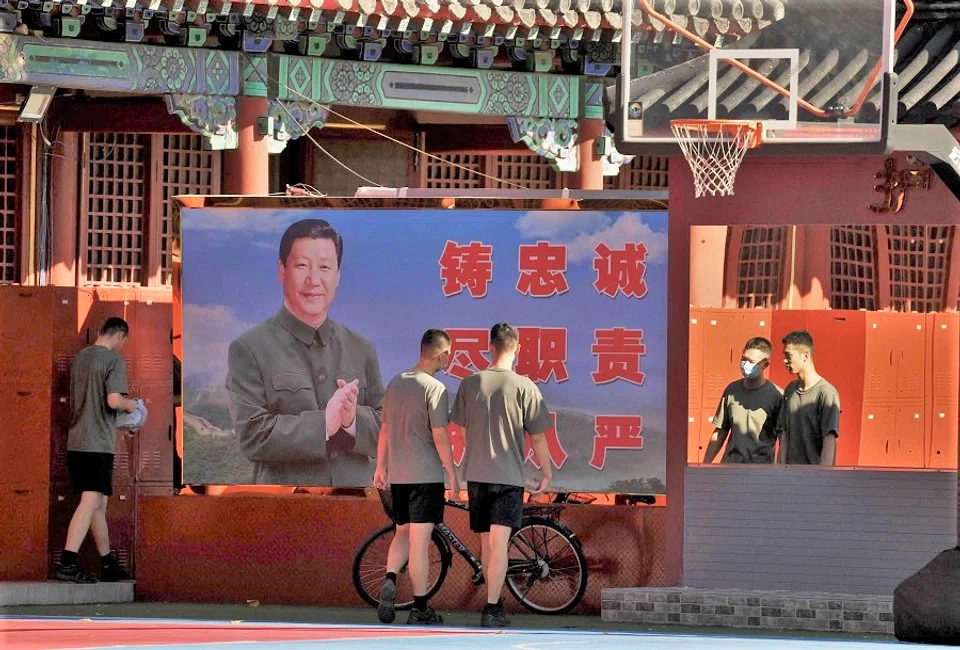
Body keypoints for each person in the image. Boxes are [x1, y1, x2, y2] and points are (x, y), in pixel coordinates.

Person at [226, 218, 385, 486]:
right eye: (301, 265)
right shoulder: (249, 348)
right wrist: (325, 422)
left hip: (358, 504)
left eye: (324, 267)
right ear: (282, 270)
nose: (314, 280)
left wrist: (351, 421)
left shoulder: (362, 347)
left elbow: (387, 430)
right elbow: (252, 436)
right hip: (285, 507)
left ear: (337, 275)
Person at [450, 323, 553, 628]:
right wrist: (546, 472)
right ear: (517, 348)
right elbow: (538, 438)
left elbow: (464, 432)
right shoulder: (526, 387)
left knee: (487, 544)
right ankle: (492, 606)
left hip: (477, 476)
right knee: (499, 545)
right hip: (509, 477)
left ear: (490, 346)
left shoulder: (470, 383)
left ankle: (492, 600)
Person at [372, 329, 458, 626]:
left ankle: (390, 577)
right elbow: (440, 436)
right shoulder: (435, 388)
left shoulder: (396, 383)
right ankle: (420, 608)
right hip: (426, 476)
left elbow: (383, 429)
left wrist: (380, 466)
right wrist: (452, 474)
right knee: (421, 544)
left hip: (399, 474)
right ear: (442, 354)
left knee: (402, 533)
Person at [54, 317, 139, 583]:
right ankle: (67, 563)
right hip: (97, 444)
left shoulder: (80, 358)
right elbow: (113, 401)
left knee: (98, 504)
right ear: (120, 336)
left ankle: (107, 563)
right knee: (91, 501)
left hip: (76, 442)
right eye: (123, 342)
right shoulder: (113, 361)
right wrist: (132, 406)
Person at [703, 337, 783, 464]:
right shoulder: (732, 390)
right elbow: (720, 431)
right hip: (730, 467)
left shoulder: (777, 395)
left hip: (760, 471)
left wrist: (779, 471)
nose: (745, 364)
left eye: (751, 361)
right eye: (743, 359)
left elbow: (783, 438)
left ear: (765, 365)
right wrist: (705, 464)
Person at [777, 329, 841, 466]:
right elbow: (784, 433)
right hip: (790, 477)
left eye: (788, 355)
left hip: (813, 478)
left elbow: (829, 439)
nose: (784, 360)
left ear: (805, 356)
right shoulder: (790, 390)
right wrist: (780, 469)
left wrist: (822, 477)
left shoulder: (827, 393)